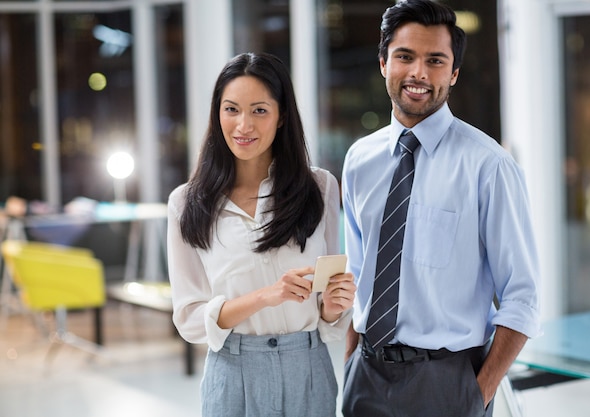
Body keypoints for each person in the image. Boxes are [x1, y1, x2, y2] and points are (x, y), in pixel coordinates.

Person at [341, 1, 541, 416]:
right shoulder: (360, 159)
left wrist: (476, 393)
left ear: (453, 73)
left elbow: (522, 297)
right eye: (405, 56)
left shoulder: (489, 166)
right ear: (383, 63)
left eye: (435, 60)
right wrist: (348, 365)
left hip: (447, 382)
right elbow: (357, 276)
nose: (418, 73)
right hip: (366, 376)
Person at [167, 52, 356, 417]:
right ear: (216, 113)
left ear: (282, 115)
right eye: (231, 109)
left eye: (259, 110)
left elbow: (328, 314)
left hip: (309, 368)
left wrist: (334, 307)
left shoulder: (320, 188)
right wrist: (266, 296)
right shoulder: (186, 203)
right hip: (232, 373)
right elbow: (190, 320)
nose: (243, 125)